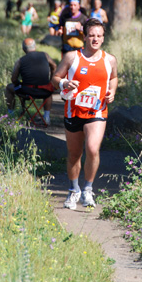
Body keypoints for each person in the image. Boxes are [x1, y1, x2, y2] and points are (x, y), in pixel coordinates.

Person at [52, 18, 118, 210]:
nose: (95, 39)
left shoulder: (109, 60)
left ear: (103, 38)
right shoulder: (72, 57)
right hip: (73, 110)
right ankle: (74, 191)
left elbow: (113, 78)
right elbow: (55, 78)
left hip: (97, 110)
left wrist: (112, 92)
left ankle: (88, 189)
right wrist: (64, 83)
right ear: (84, 36)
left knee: (92, 148)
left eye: (99, 36)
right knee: (74, 154)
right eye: (91, 35)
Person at [5, 38, 56, 124]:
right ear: (35, 47)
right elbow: (54, 66)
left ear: (23, 49)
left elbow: (13, 79)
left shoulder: (20, 61)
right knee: (49, 89)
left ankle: (11, 115)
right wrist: (51, 80)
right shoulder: (45, 55)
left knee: (9, 87)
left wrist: (18, 83)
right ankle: (46, 117)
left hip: (27, 91)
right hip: (44, 91)